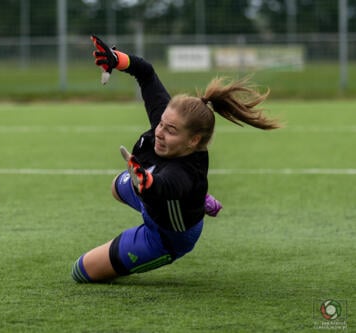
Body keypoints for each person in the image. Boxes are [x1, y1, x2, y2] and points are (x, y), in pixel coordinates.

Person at [71, 36, 281, 283]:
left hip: (166, 235)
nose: (159, 131)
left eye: (171, 130)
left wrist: (146, 183)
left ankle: (192, 202)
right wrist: (118, 60)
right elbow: (146, 74)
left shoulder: (185, 172)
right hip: (153, 195)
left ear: (193, 141)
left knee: (81, 272)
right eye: (161, 124)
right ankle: (197, 199)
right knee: (116, 187)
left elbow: (166, 186)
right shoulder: (167, 121)